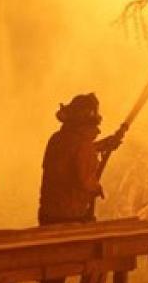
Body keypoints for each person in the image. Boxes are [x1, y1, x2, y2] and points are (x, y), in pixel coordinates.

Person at [37, 93, 125, 226]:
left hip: (48, 216)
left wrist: (102, 145)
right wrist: (97, 188)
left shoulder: (57, 139)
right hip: (69, 218)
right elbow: (86, 180)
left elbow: (70, 157)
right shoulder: (83, 145)